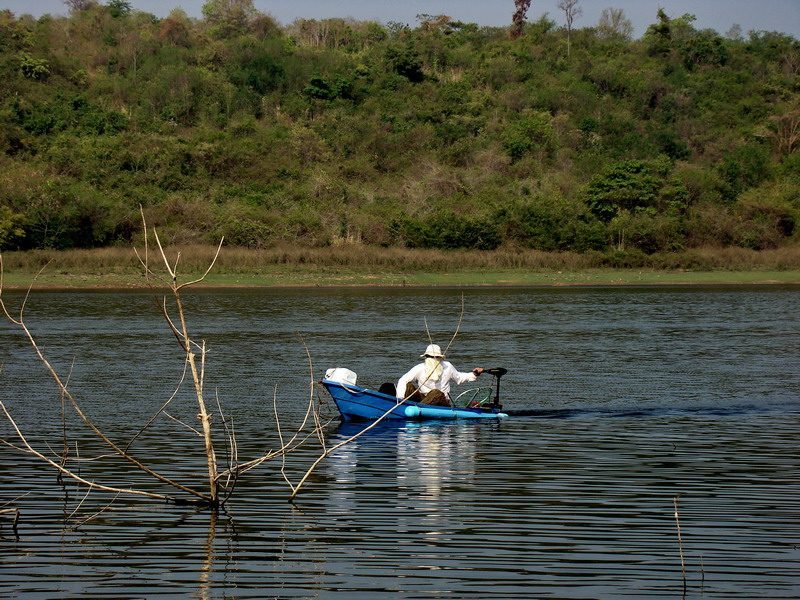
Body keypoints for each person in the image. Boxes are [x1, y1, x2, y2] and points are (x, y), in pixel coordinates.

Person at [396, 344, 484, 407]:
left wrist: (474, 374)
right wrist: (399, 400)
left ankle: (419, 408)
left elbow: (459, 378)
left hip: (442, 401)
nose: (432, 359)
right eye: (429, 356)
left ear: (439, 357)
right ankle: (404, 405)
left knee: (436, 392)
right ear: (426, 357)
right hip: (423, 398)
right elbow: (403, 380)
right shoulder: (420, 368)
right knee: (409, 386)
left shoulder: (447, 366)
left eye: (435, 357)